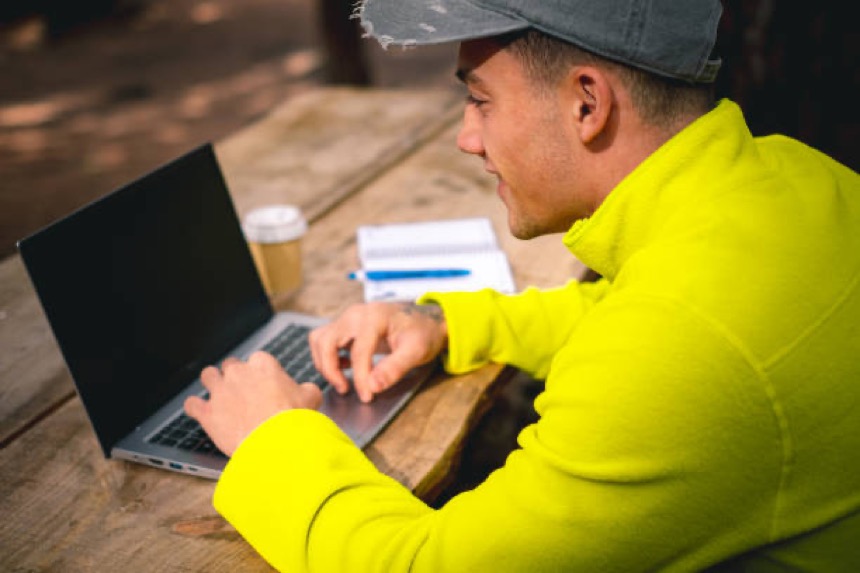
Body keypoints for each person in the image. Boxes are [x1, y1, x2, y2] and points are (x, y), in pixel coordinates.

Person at [184, 1, 860, 570]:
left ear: (587, 103)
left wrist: (276, 436)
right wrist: (451, 326)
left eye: (479, 100)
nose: (466, 138)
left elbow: (425, 562)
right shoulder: (796, 177)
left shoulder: (674, 350)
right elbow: (622, 309)